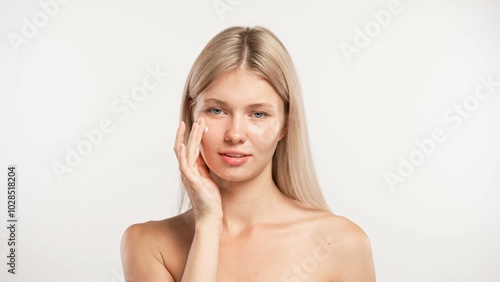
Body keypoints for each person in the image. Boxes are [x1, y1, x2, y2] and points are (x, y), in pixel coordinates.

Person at [121, 26, 375, 282]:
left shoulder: (340, 244)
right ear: (192, 113)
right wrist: (209, 223)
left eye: (258, 114)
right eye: (217, 111)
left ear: (285, 124)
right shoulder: (148, 244)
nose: (235, 134)